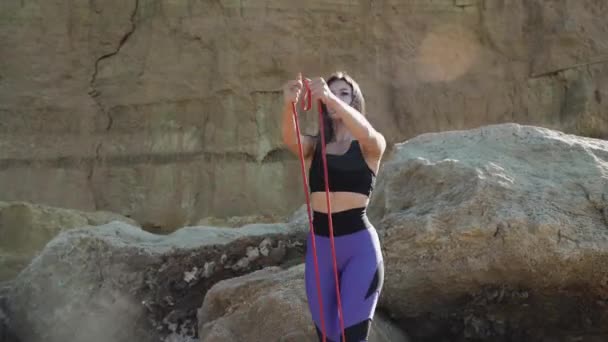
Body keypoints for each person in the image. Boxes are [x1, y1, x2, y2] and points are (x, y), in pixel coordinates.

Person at [281, 71, 386, 342]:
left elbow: (366, 132)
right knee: (327, 338)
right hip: (320, 250)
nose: (336, 98)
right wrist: (288, 103)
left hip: (359, 249)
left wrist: (329, 98)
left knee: (351, 337)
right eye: (331, 93)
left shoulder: (370, 145)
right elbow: (291, 140)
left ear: (355, 101)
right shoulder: (315, 147)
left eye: (344, 93)